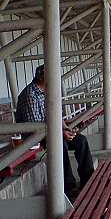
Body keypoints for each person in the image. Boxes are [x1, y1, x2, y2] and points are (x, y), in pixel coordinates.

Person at [16, 65, 94, 197]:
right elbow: (36, 127)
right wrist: (60, 134)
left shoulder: (46, 91)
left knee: (81, 140)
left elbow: (56, 115)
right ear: (42, 78)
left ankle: (88, 180)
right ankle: (68, 187)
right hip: (35, 137)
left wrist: (65, 129)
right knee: (60, 145)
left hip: (50, 132)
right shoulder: (30, 94)